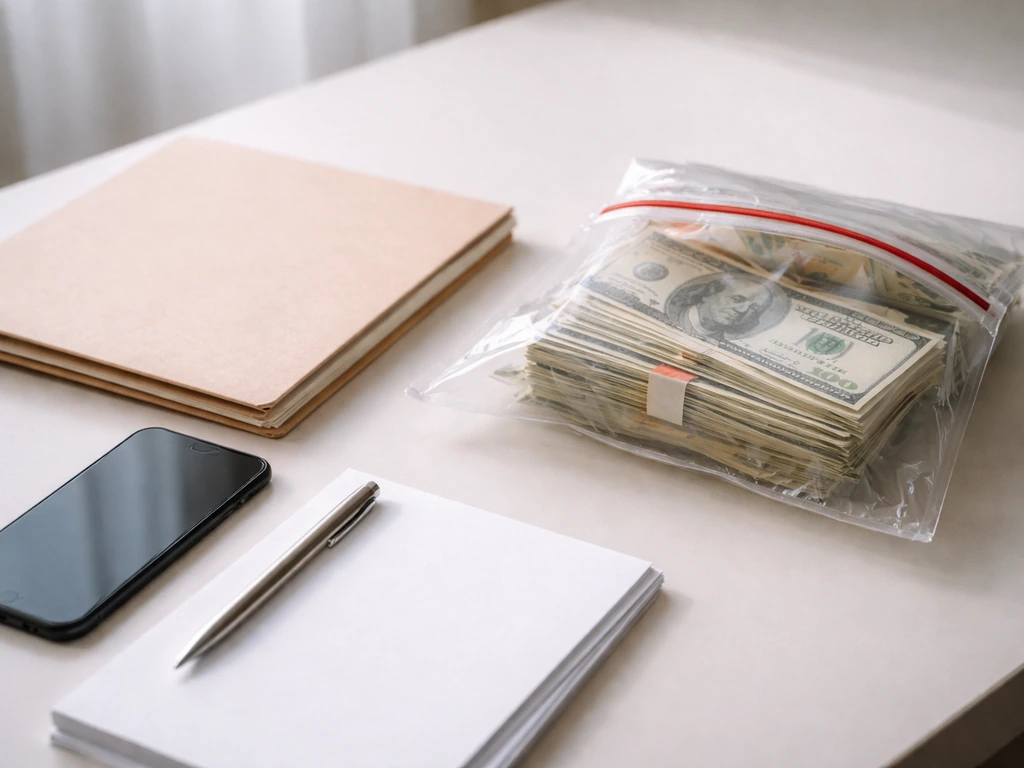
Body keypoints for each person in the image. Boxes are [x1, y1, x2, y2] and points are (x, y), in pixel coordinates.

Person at [667, 273, 775, 341]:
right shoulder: (673, 315)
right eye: (737, 299)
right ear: (708, 294)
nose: (742, 310)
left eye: (754, 309)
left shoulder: (721, 341)